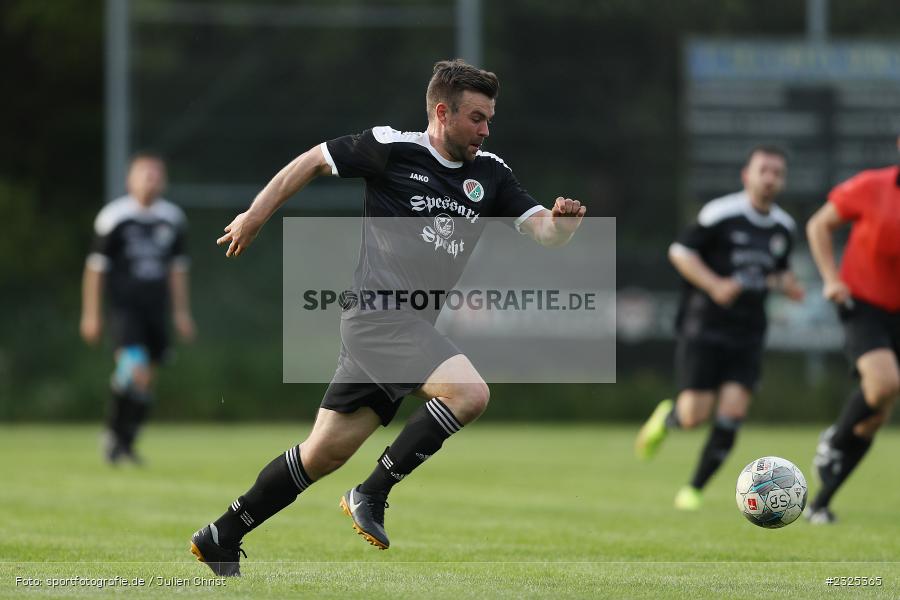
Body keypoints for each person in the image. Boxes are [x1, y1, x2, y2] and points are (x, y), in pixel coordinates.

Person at [189, 59, 586, 576]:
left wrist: (565, 224)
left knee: (323, 453)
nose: (485, 130)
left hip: (407, 328)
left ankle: (223, 533)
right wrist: (255, 216)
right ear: (442, 112)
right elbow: (310, 161)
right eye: (476, 118)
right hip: (377, 319)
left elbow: (544, 232)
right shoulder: (392, 148)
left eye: (489, 118)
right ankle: (371, 492)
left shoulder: (491, 174)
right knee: (469, 393)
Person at [635, 145, 804, 510]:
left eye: (778, 173)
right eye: (764, 170)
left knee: (733, 414)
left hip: (749, 331)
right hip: (705, 325)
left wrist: (787, 285)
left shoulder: (783, 227)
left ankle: (693, 491)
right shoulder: (721, 214)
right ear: (748, 175)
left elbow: (778, 271)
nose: (771, 178)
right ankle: (669, 417)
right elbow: (679, 252)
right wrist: (714, 285)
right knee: (694, 416)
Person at [804, 136, 900, 524]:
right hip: (862, 304)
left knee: (875, 416)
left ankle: (819, 505)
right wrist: (830, 278)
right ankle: (835, 440)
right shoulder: (871, 186)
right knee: (883, 385)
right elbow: (818, 225)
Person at [80, 154, 195, 464]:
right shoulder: (114, 217)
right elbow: (95, 270)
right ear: (130, 180)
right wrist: (91, 314)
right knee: (137, 370)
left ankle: (123, 442)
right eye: (144, 173)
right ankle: (115, 436)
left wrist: (181, 313)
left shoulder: (171, 218)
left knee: (146, 378)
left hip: (155, 309)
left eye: (157, 174)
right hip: (124, 308)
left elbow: (177, 270)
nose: (151, 179)